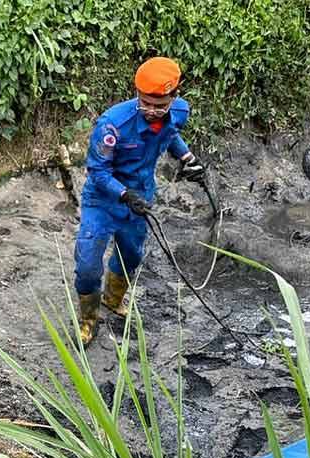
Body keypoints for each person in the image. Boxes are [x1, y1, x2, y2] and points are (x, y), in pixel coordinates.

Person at [74, 56, 206, 346]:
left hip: (141, 197)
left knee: (131, 256)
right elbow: (97, 171)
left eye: (160, 106)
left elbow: (169, 134)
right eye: (145, 103)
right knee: (87, 264)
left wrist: (186, 158)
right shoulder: (113, 125)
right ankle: (88, 318)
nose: (151, 111)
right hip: (104, 200)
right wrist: (123, 194)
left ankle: (113, 298)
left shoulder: (179, 112)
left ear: (176, 94)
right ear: (137, 93)